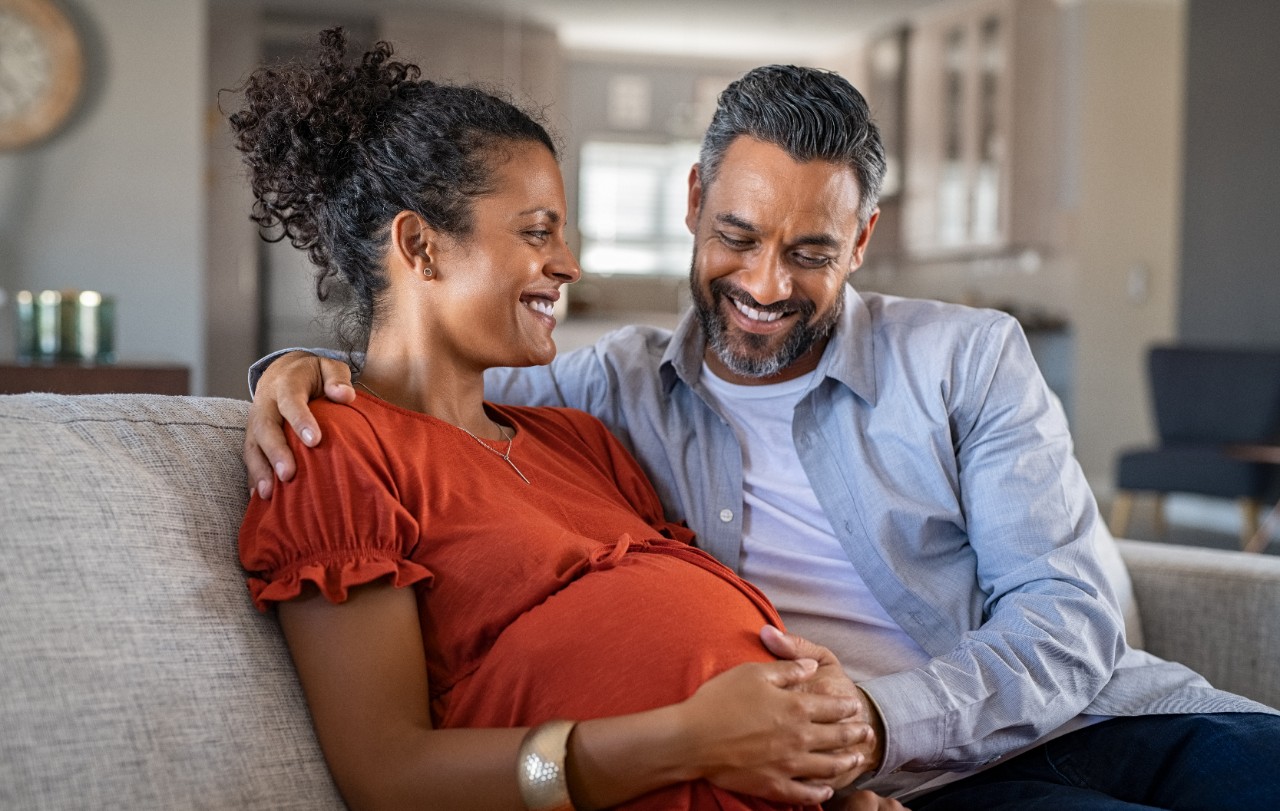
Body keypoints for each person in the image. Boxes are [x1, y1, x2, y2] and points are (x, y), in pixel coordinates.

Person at [245, 56, 1280, 808]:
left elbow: (1065, 614)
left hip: (1090, 718)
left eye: (812, 250)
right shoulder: (608, 389)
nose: (764, 285)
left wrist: (872, 727)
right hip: (911, 788)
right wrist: (302, 373)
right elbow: (415, 395)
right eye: (736, 236)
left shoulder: (966, 357)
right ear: (693, 202)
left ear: (862, 239)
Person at [231, 29, 907, 811]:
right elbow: (390, 778)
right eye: (536, 232)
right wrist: (691, 738)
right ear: (419, 246)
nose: (569, 263)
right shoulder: (333, 453)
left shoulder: (578, 436)